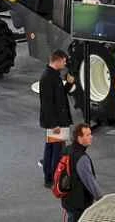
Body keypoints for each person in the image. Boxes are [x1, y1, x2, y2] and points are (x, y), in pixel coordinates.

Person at [38, 50, 75, 189]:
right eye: (64, 61)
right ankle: (54, 179)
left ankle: (50, 178)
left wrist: (68, 84)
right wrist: (54, 124)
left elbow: (59, 95)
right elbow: (47, 104)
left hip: (58, 120)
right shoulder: (48, 78)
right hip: (56, 122)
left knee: (52, 149)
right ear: (57, 60)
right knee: (55, 152)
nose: (65, 64)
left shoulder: (53, 75)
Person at [61, 123, 103, 222]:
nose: (91, 137)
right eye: (87, 135)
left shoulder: (67, 149)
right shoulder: (82, 158)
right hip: (79, 204)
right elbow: (90, 182)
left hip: (67, 198)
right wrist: (102, 200)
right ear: (79, 138)